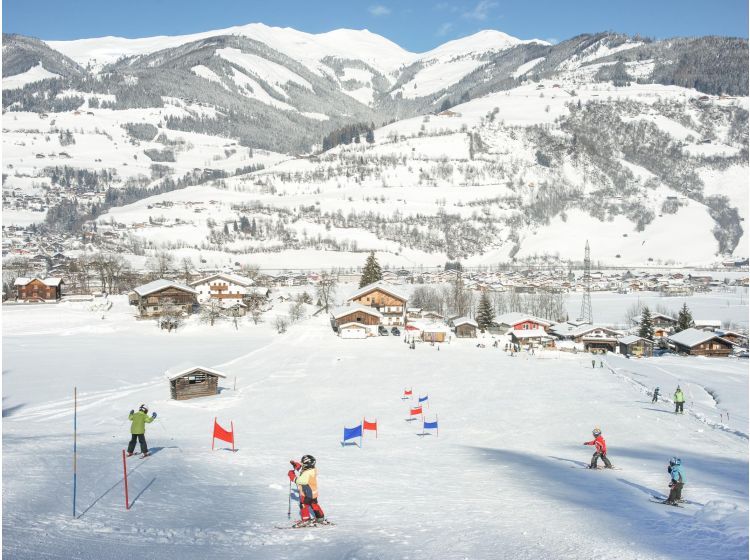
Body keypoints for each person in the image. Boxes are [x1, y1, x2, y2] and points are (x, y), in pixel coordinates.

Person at [288, 455, 326, 525]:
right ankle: (320, 517)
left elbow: (299, 481)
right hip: (313, 493)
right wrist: (296, 465)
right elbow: (303, 469)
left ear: (307, 465)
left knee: (303, 505)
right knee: (314, 504)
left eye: (303, 463)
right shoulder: (312, 469)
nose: (302, 465)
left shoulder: (307, 473)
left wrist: (292, 476)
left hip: (307, 493)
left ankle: (306, 520)